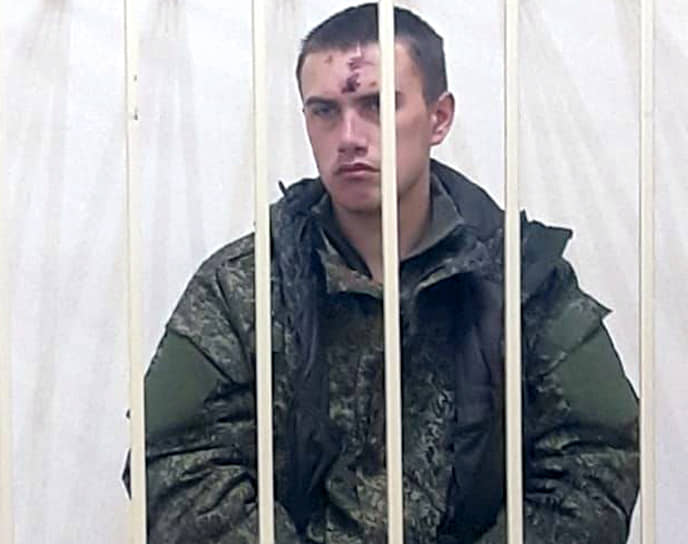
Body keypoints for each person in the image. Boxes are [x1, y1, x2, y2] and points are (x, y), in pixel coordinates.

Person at [124, 4, 639, 543]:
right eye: (324, 111)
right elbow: (172, 460)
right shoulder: (244, 287)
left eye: (376, 104)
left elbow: (598, 457)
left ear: (439, 118)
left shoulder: (522, 279)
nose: (349, 136)